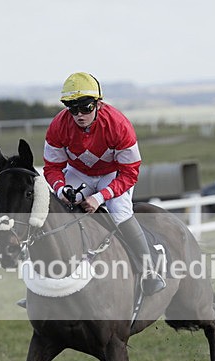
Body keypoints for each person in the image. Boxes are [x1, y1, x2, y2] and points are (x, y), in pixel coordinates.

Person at [43, 72, 166, 296]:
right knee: (58, 210)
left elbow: (130, 172)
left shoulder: (119, 125)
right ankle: (45, 279)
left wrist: (100, 197)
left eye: (85, 108)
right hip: (79, 173)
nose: (79, 115)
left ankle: (148, 270)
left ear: (98, 103)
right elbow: (52, 167)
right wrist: (61, 189)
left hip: (114, 173)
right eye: (72, 109)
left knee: (119, 211)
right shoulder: (58, 126)